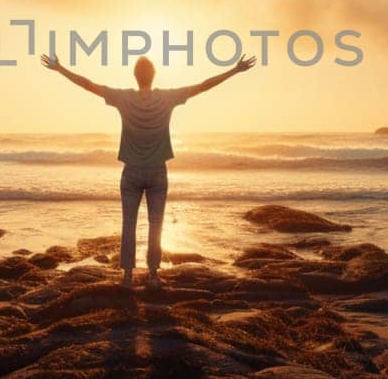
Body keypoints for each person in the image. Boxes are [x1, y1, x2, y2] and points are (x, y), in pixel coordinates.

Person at [41, 52, 257, 288]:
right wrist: (234, 70)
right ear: (154, 76)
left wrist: (60, 69)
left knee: (128, 224)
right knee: (156, 224)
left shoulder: (122, 98)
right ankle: (153, 275)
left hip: (131, 172)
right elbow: (204, 86)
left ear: (135, 76)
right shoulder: (167, 97)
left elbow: (88, 85)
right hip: (157, 172)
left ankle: (127, 277)